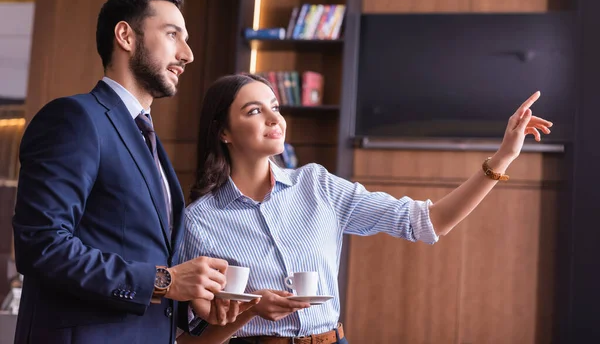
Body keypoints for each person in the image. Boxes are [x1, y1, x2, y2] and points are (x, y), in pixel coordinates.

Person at [178, 73, 552, 344]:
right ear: (223, 131)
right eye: (254, 111)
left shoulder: (317, 185)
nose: (275, 118)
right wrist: (251, 309)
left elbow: (429, 222)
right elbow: (193, 340)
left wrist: (504, 157)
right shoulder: (199, 221)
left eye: (275, 107)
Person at [11, 0, 248, 344]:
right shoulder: (74, 118)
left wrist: (190, 300)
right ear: (125, 36)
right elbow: (41, 244)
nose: (188, 54)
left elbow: (138, 255)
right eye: (172, 35)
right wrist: (165, 281)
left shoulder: (146, 136)